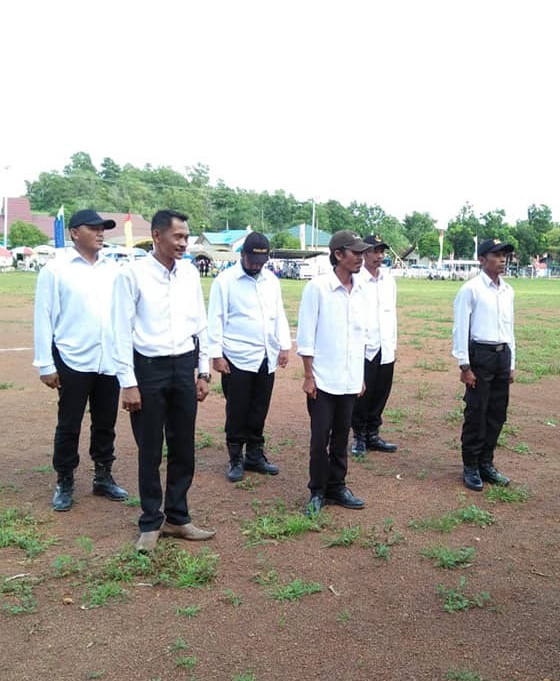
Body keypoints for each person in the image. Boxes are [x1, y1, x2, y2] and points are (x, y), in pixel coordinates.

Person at [110, 209, 215, 553]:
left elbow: (200, 324)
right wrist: (128, 382)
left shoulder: (189, 273)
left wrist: (202, 371)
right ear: (157, 235)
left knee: (184, 446)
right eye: (178, 236)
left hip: (183, 365)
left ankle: (178, 517)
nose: (184, 243)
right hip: (148, 368)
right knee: (150, 449)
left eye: (186, 237)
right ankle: (150, 522)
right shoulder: (132, 275)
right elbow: (120, 330)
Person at [33, 209, 128, 512]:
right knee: (69, 423)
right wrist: (45, 364)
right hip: (72, 357)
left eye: (103, 229)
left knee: (105, 422)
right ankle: (65, 480)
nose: (100, 233)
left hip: (108, 358)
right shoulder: (55, 270)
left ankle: (103, 476)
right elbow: (43, 317)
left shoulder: (114, 269)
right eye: (93, 228)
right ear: (74, 232)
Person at [296, 230, 372, 516]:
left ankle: (337, 486)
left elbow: (360, 337)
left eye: (362, 253)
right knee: (320, 439)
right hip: (323, 379)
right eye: (355, 253)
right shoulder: (318, 288)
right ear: (338, 254)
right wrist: (308, 376)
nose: (361, 258)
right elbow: (306, 336)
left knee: (341, 436)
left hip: (350, 379)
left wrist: (359, 376)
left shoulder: (361, 290)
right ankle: (317, 490)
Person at [208, 231, 291, 482]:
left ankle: (254, 455)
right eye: (252, 261)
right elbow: (216, 318)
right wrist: (216, 355)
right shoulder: (225, 281)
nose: (256, 266)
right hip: (237, 357)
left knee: (259, 408)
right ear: (242, 254)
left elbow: (279, 313)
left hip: (266, 355)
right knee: (237, 410)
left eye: (261, 262)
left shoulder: (271, 280)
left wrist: (284, 346)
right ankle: (235, 457)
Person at [451, 238, 517, 491]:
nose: (502, 260)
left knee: (497, 412)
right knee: (477, 412)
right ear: (481, 259)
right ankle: (470, 465)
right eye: (496, 255)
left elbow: (509, 328)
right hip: (481, 355)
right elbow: (461, 328)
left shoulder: (507, 290)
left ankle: (486, 462)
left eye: (504, 256)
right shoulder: (471, 289)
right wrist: (465, 366)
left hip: (502, 355)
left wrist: (512, 362)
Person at [351, 234, 399, 456]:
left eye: (382, 251)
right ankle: (359, 435)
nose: (379, 256)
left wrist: (393, 343)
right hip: (364, 346)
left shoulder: (388, 280)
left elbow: (392, 313)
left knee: (381, 392)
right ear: (364, 253)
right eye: (374, 251)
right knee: (362, 394)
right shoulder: (356, 279)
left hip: (385, 345)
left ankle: (373, 433)